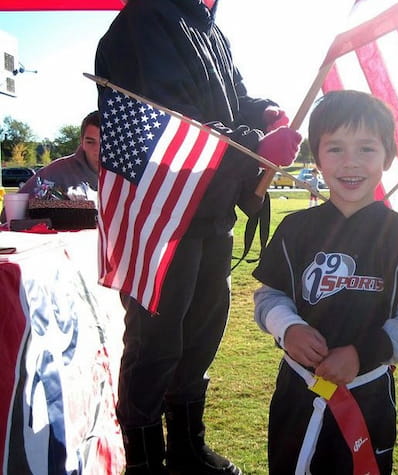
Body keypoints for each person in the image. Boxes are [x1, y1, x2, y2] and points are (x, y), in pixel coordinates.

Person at [94, 1, 301, 474]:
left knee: (200, 338)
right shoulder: (146, 19)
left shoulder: (208, 25)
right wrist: (253, 143)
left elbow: (230, 99)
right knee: (156, 344)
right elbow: (172, 118)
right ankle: (144, 463)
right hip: (161, 214)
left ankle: (186, 451)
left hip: (212, 210)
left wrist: (263, 111)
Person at [252, 90, 398, 474]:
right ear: (317, 157)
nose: (351, 163)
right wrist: (287, 327)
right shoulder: (296, 230)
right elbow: (269, 295)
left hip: (368, 393)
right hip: (298, 389)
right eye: (336, 149)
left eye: (366, 149)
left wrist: (363, 353)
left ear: (388, 157)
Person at [16, 110, 100, 201]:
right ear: (82, 142)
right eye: (90, 142)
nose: (98, 150)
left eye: (106, 143)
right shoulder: (56, 172)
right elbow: (11, 210)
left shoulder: (118, 177)